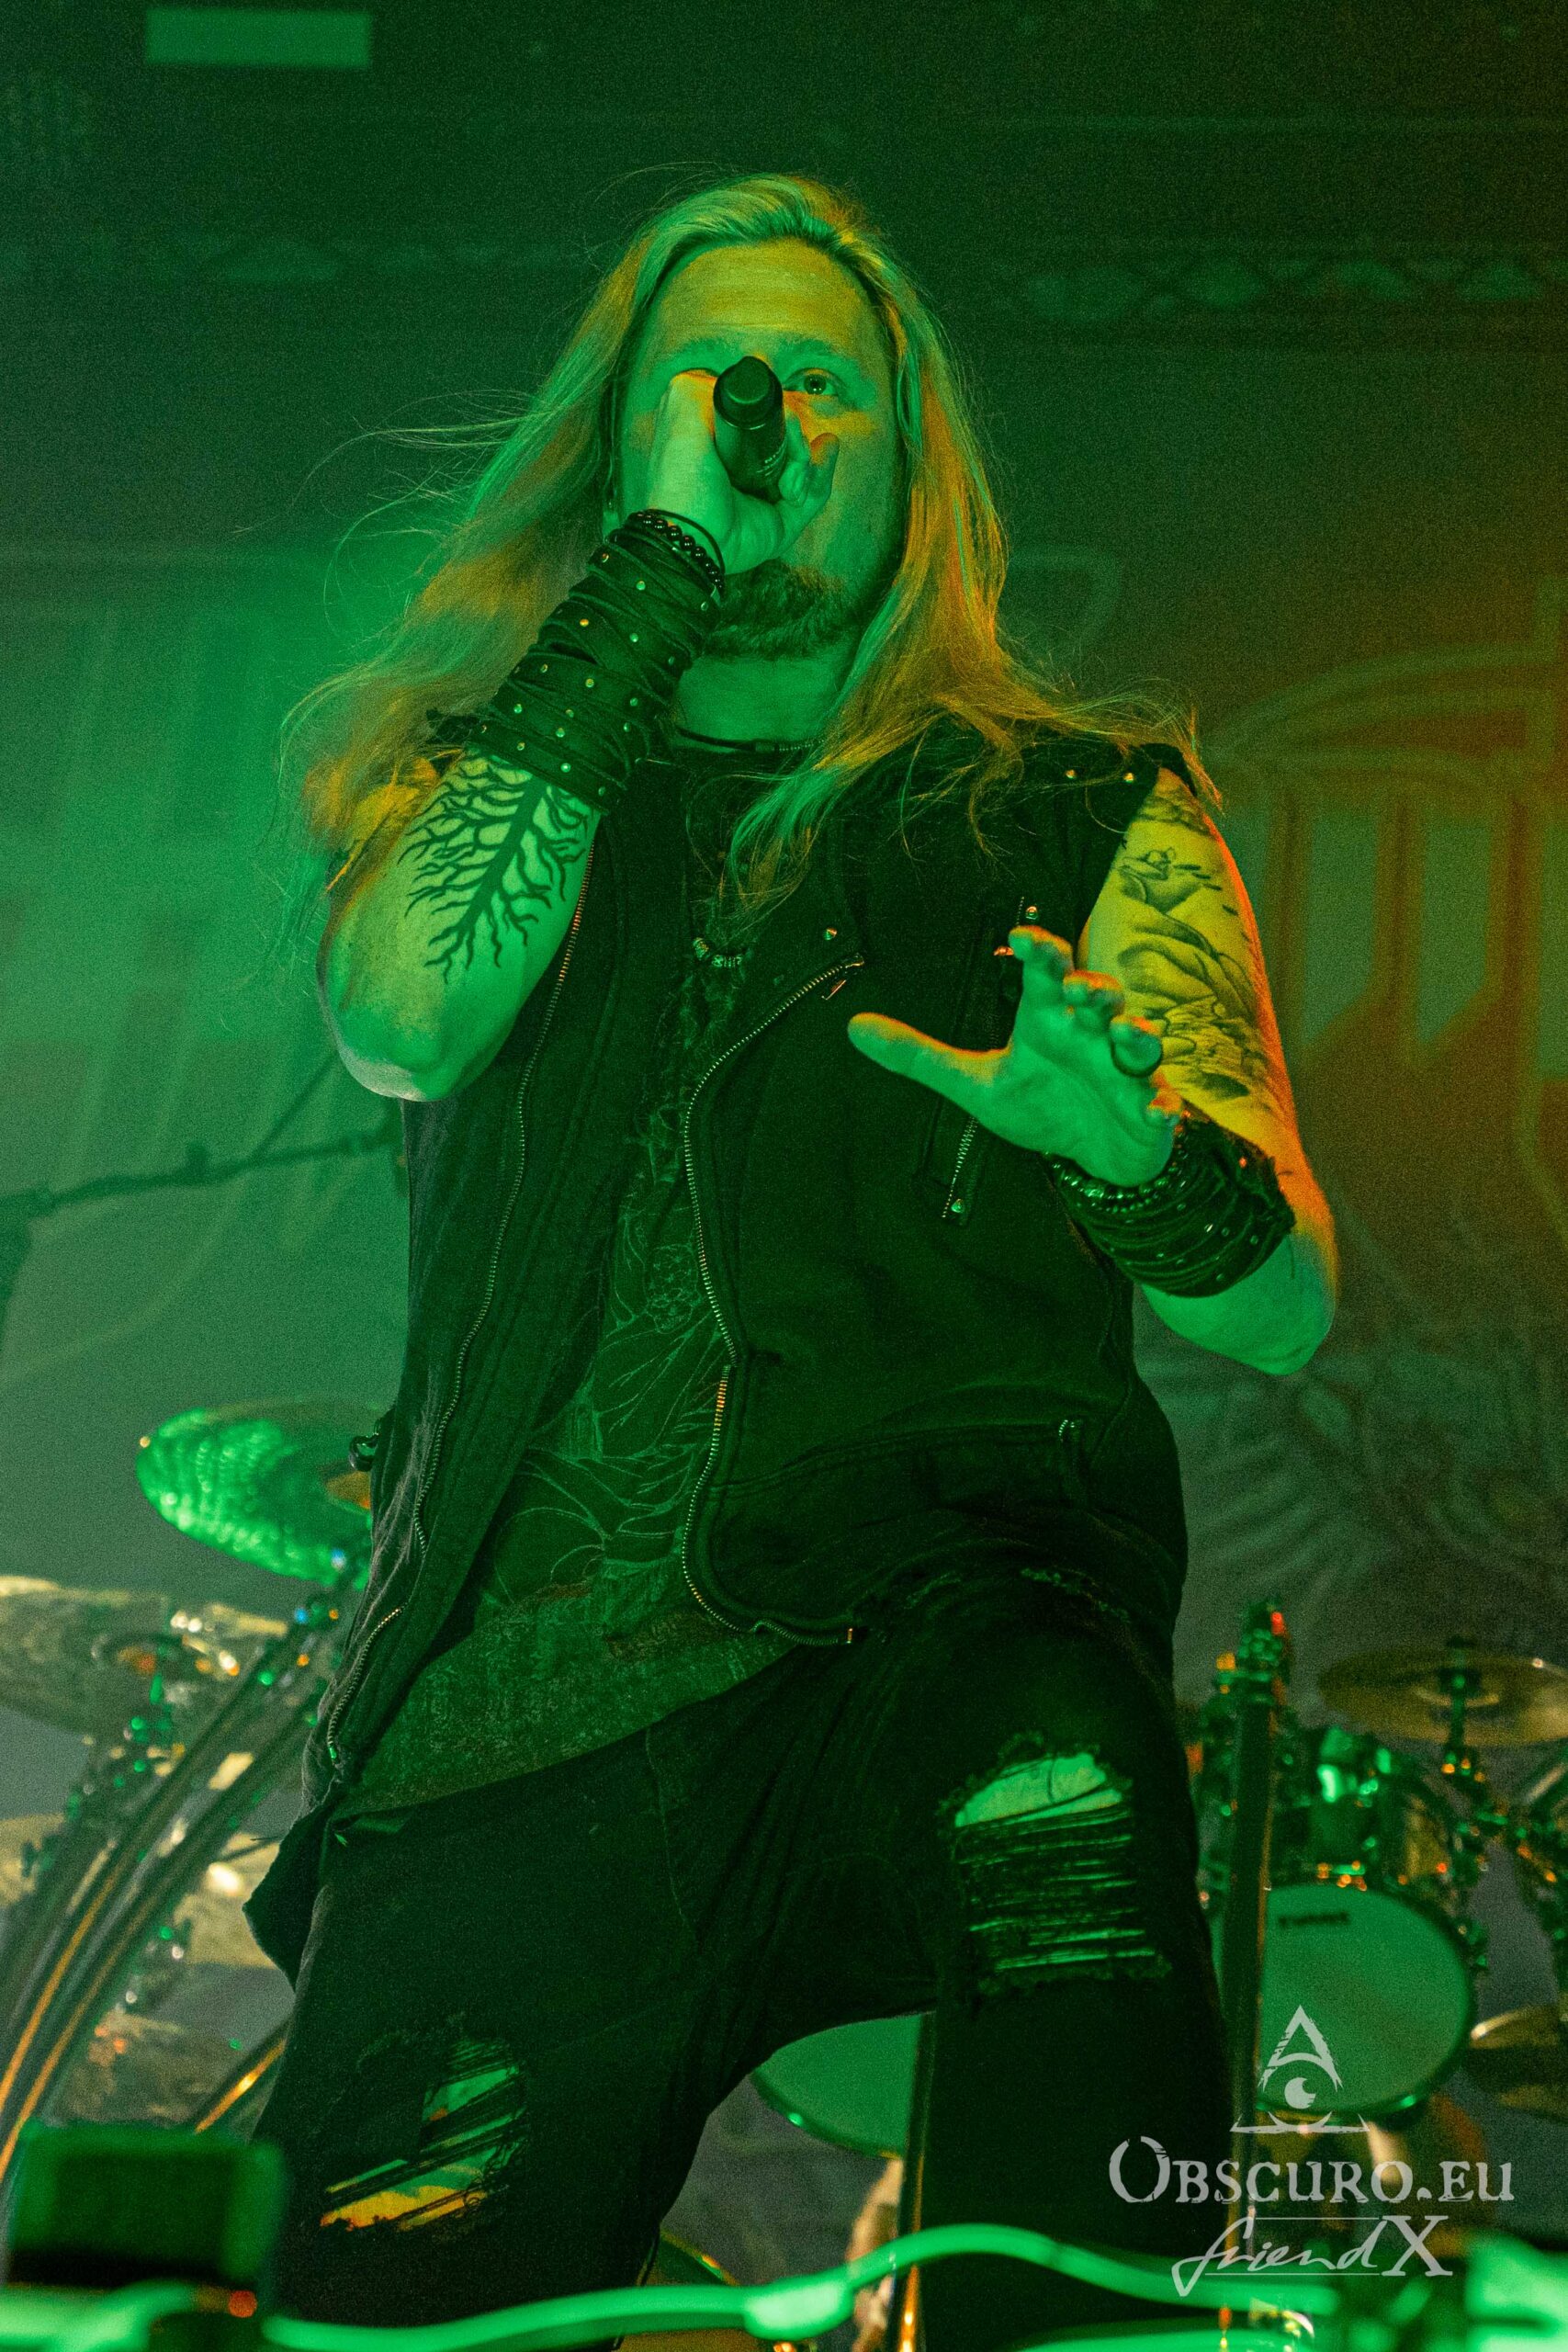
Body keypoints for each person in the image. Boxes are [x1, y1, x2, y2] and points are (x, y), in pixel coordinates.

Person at [247, 173, 1337, 2350]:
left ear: (910, 463)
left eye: (820, 385)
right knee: (373, 2300)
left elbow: (1281, 1302)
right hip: (521, 1699)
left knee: (1062, 1813)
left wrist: (1129, 1152)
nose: (764, 418)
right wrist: (658, 556)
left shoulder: (1077, 805)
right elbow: (404, 1017)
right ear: (618, 438)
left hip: (931, 1606)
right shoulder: (477, 778)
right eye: (709, 379)